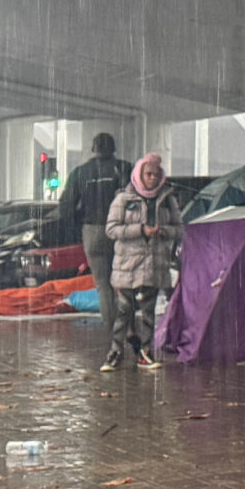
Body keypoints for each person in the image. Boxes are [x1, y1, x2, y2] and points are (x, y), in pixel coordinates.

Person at [101, 152, 180, 370]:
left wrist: (163, 231)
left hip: (154, 264)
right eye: (148, 174)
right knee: (123, 311)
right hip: (127, 265)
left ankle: (145, 352)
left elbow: (180, 229)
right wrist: (140, 230)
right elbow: (111, 229)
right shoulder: (123, 199)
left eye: (156, 174)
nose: (152, 178)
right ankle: (115, 352)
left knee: (148, 312)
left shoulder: (167, 200)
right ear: (139, 174)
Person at [60, 132, 129, 343]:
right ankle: (130, 328)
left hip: (92, 230)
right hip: (121, 231)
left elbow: (66, 205)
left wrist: (78, 227)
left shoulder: (80, 173)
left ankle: (112, 330)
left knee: (103, 284)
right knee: (126, 281)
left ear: (93, 149)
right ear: (113, 148)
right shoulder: (124, 168)